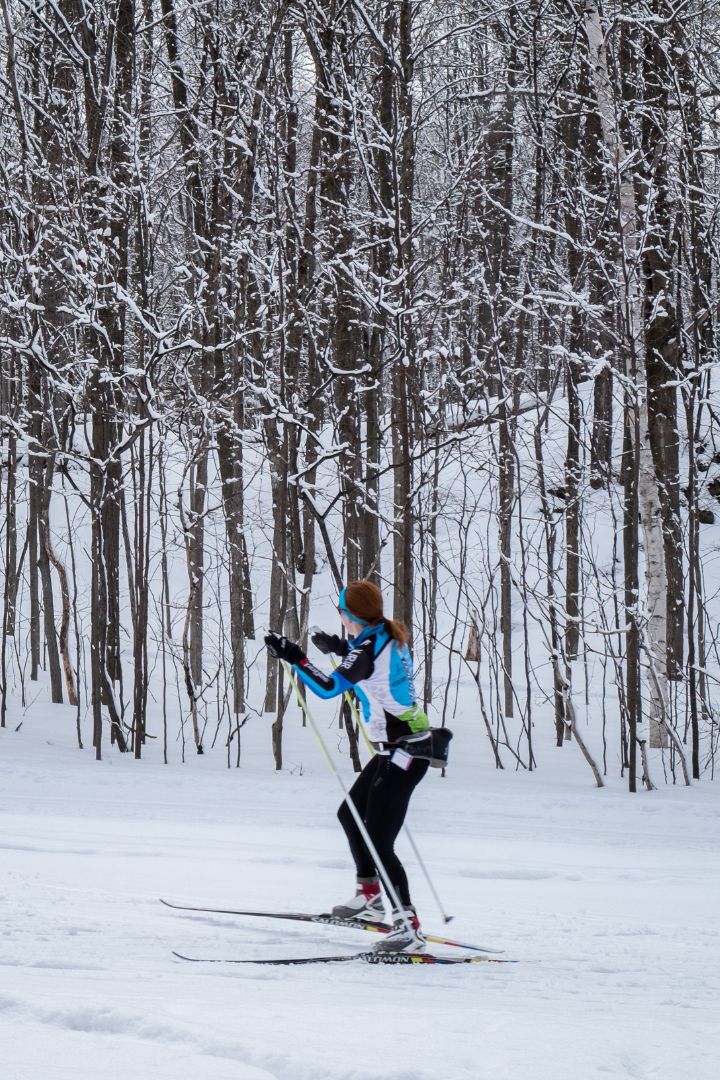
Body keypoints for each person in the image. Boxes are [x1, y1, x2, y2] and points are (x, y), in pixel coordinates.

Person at [264, 579, 430, 954]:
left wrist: (295, 657)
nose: (340, 617)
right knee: (350, 814)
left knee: (379, 840)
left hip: (404, 753)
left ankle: (407, 926)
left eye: (341, 611)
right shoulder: (385, 636)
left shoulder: (368, 647)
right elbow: (371, 671)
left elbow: (328, 688)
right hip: (398, 749)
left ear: (348, 614)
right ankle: (370, 898)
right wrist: (341, 648)